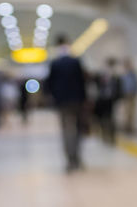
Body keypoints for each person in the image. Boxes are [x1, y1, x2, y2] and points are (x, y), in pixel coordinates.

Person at [47, 34, 86, 172]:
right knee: (77, 130)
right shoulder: (75, 61)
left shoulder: (55, 63)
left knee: (65, 131)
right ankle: (76, 156)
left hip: (62, 102)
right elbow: (82, 83)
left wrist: (54, 98)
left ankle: (69, 159)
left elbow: (49, 84)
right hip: (77, 101)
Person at [95, 58, 122, 145]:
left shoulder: (116, 76)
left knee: (111, 118)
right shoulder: (101, 75)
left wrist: (117, 98)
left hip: (111, 100)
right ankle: (104, 135)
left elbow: (119, 89)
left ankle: (111, 137)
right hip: (102, 99)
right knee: (103, 118)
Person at [121, 58, 137, 134]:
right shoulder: (124, 75)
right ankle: (126, 126)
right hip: (126, 95)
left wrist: (135, 92)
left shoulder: (133, 74)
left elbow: (136, 84)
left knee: (132, 112)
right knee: (126, 111)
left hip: (132, 95)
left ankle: (131, 126)